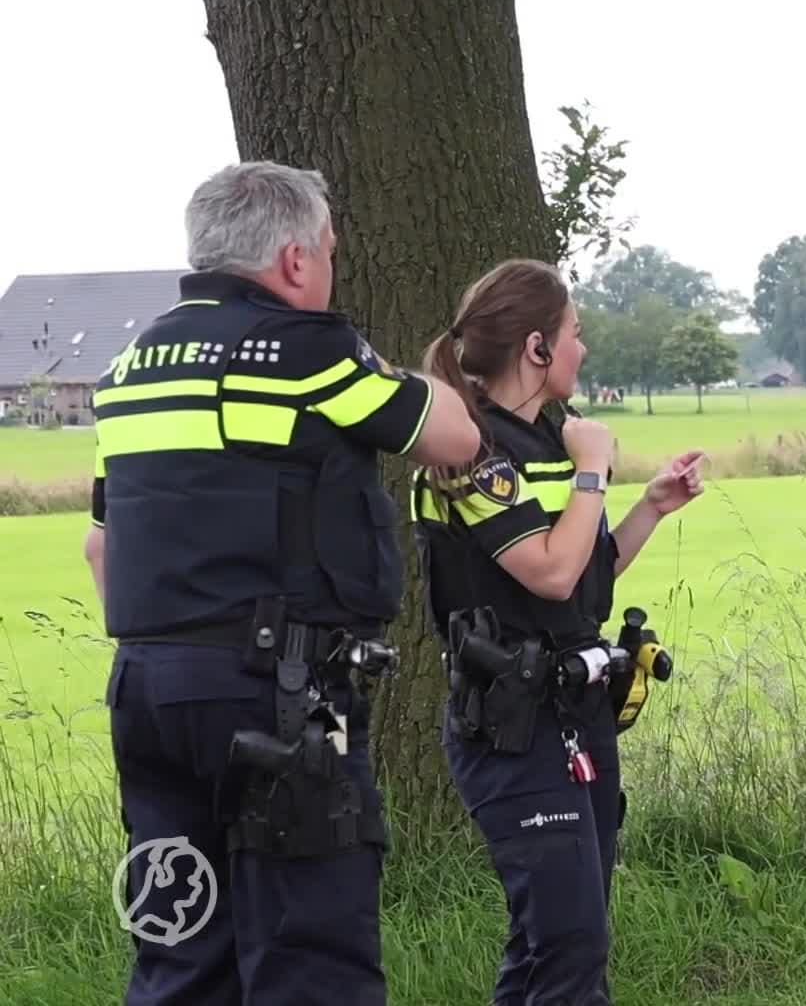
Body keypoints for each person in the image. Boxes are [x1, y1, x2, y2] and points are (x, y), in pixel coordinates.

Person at [83, 160, 482, 1004]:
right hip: (281, 696)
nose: (332, 269)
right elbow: (452, 438)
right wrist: (378, 361)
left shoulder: (128, 368)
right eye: (330, 252)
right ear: (296, 260)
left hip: (149, 695)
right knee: (311, 960)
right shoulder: (308, 349)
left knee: (179, 949)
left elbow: (100, 549)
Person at [409, 257, 704, 1005]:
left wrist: (650, 509)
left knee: (552, 942)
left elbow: (584, 578)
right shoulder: (470, 452)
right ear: (538, 347)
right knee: (571, 947)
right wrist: (595, 469)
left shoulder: (551, 442)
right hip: (512, 730)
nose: (585, 349)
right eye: (577, 333)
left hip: (577, 715)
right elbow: (548, 572)